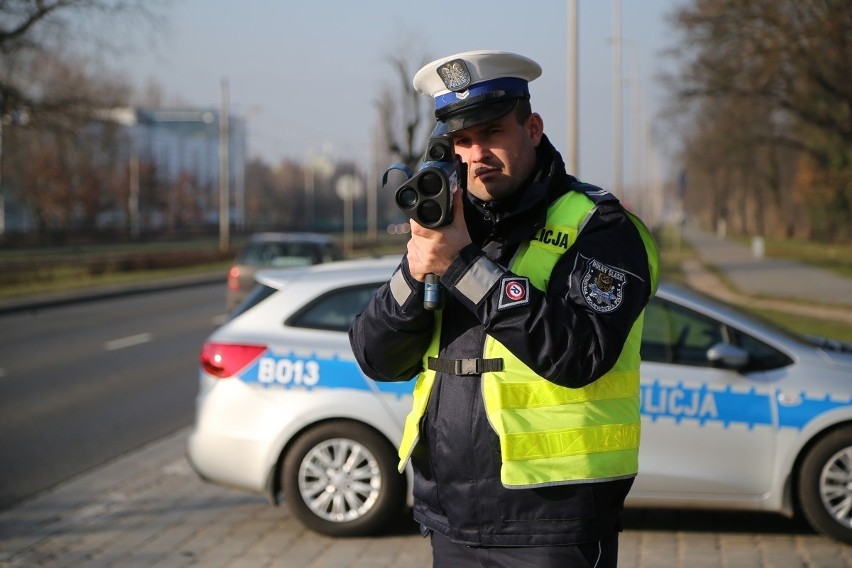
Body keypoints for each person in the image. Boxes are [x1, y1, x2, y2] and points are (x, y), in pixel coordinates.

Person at [349, 50, 659, 568]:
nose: (476, 154)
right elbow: (377, 358)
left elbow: (578, 354)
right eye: (461, 141)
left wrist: (465, 268)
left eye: (492, 133)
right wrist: (417, 268)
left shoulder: (600, 227)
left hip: (555, 527)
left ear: (532, 128)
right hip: (450, 521)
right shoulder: (448, 225)